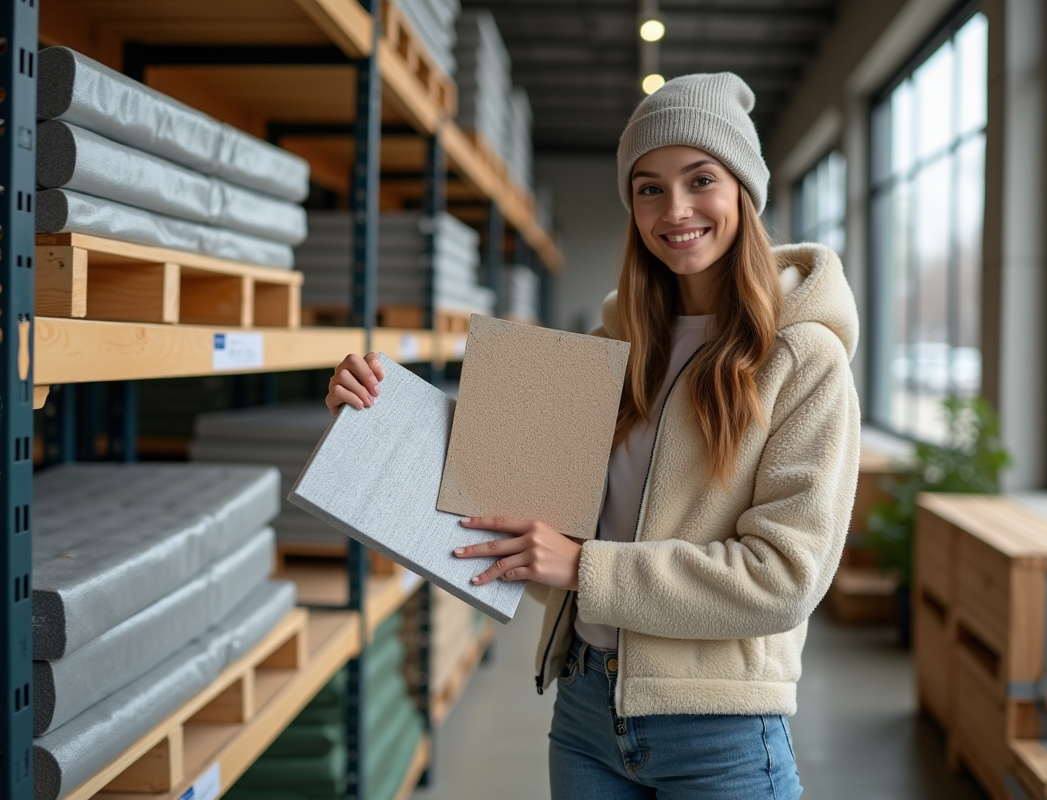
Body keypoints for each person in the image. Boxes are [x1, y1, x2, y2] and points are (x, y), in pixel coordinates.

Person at [325, 72, 860, 800]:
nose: (676, 209)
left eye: (701, 179)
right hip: (584, 713)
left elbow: (784, 578)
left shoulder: (804, 358)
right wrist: (374, 413)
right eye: (649, 188)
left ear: (744, 189)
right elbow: (498, 501)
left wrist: (584, 568)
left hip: (719, 731)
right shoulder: (609, 349)